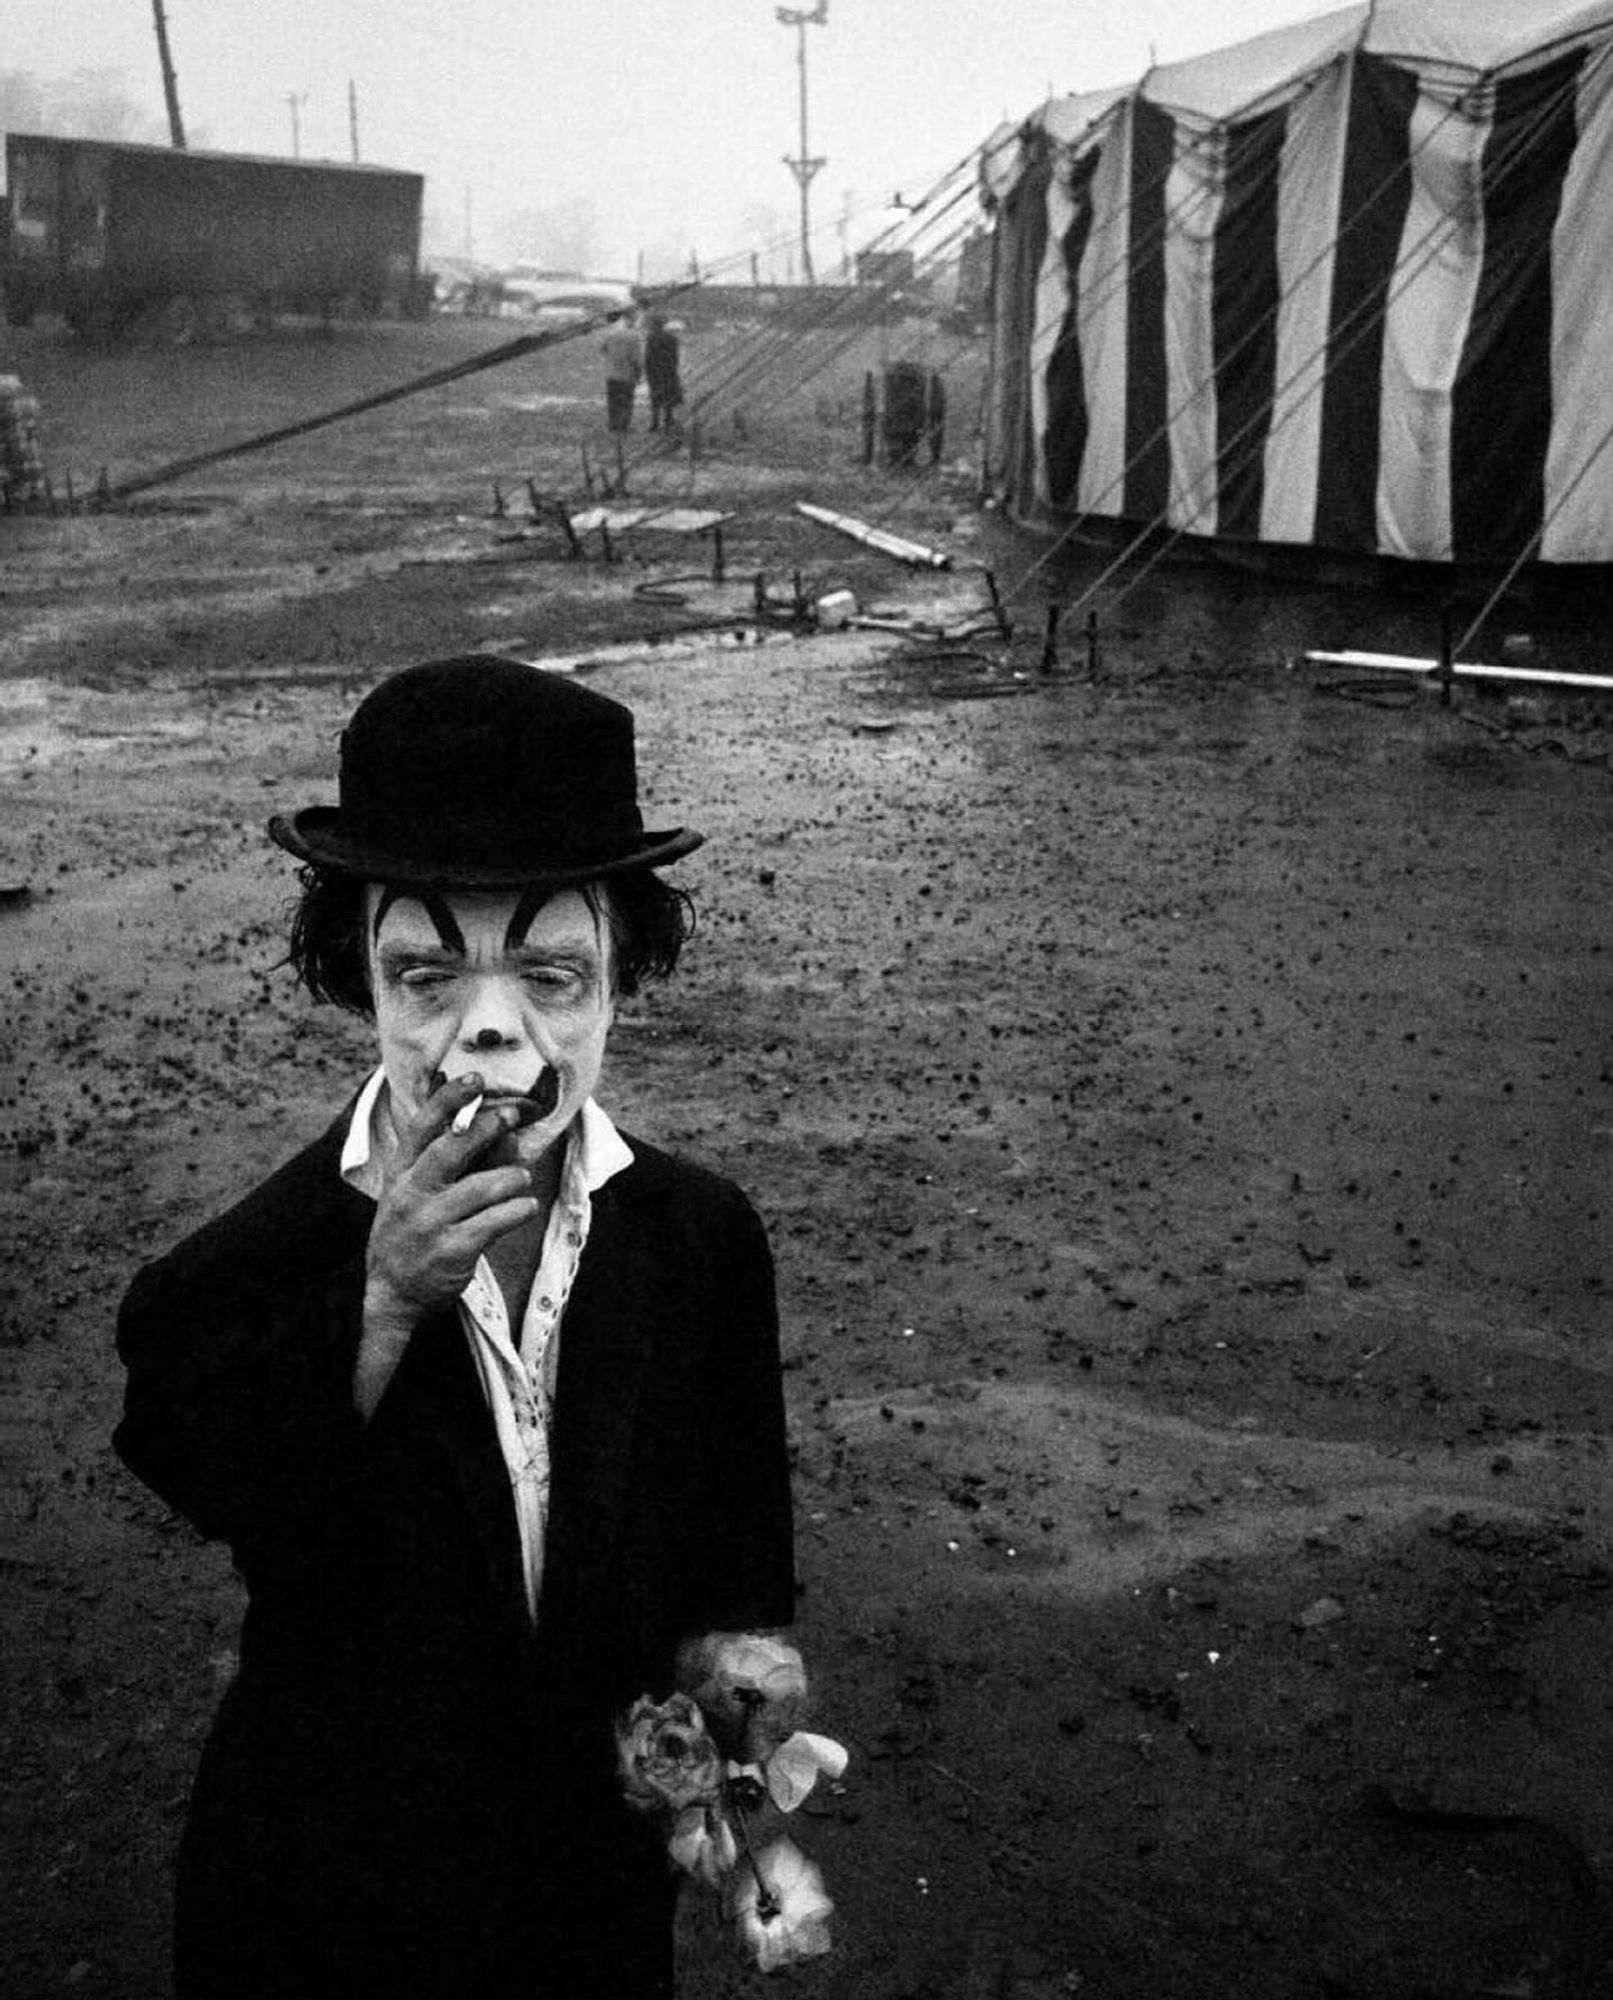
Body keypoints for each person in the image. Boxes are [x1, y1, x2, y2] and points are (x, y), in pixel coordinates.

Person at [114, 656, 796, 1999]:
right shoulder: (240, 1268)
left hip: (587, 1895)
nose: (490, 1031)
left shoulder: (701, 1236)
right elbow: (201, 1464)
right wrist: (375, 1304)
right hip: (324, 1897)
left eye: (549, 971)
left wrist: (740, 1725)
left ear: (620, 976)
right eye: (427, 975)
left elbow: (734, 1533)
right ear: (357, 976)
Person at [601, 310, 644, 432]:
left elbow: (602, 349)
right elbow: (637, 359)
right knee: (626, 400)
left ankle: (613, 424)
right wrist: (638, 374)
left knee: (613, 400)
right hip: (627, 374)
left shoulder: (610, 333)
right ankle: (624, 425)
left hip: (611, 372)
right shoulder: (634, 336)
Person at [643, 314, 684, 434]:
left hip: (655, 372)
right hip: (669, 371)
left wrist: (648, 371)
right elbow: (675, 357)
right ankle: (668, 419)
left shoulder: (651, 338)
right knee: (668, 395)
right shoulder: (672, 338)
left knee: (655, 396)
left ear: (654, 326)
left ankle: (655, 423)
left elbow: (648, 357)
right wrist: (673, 368)